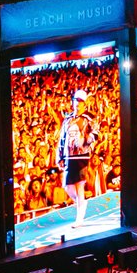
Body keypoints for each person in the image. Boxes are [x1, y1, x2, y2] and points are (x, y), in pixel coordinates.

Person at [57, 88, 99, 226]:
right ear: (73, 102)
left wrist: (86, 140)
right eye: (76, 101)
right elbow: (62, 138)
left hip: (82, 155)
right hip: (69, 155)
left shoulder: (89, 118)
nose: (78, 104)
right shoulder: (68, 119)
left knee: (79, 186)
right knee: (67, 186)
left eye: (81, 102)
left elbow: (96, 133)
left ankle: (79, 218)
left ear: (84, 104)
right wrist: (60, 156)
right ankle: (82, 204)